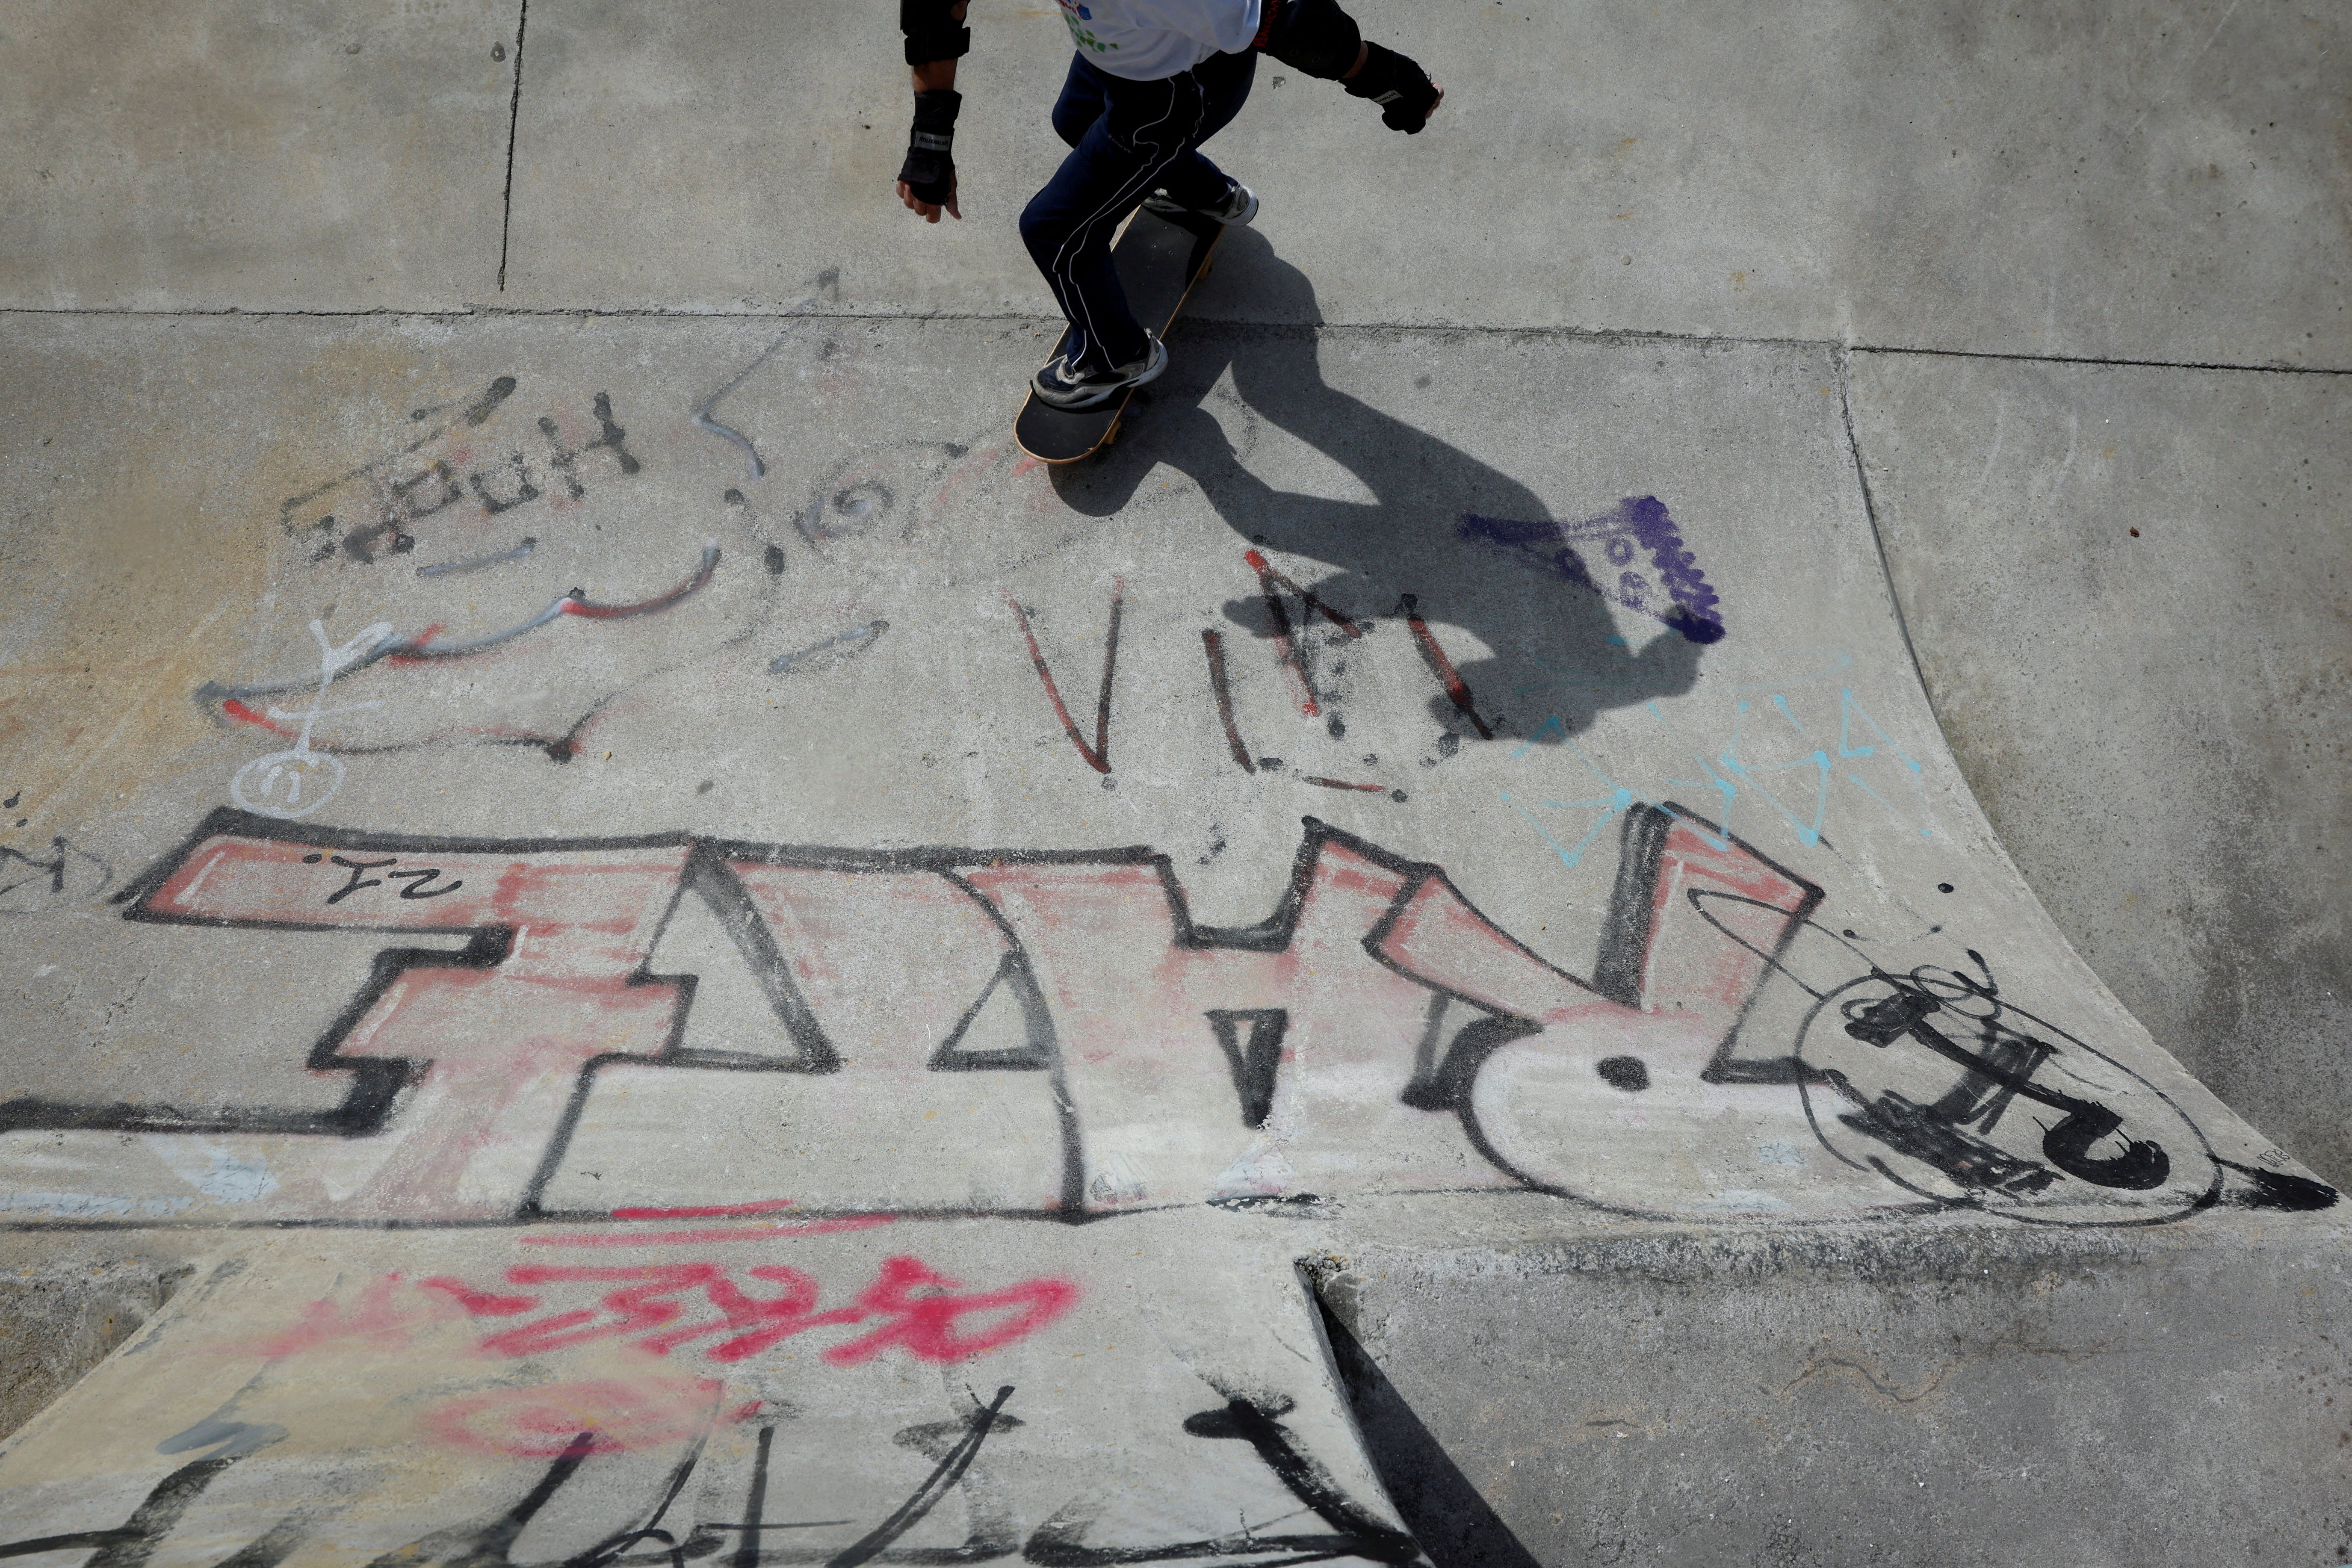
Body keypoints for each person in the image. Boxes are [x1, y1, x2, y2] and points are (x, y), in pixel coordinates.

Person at [895, 0, 1442, 410]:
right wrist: (931, 140)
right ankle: (1205, 194)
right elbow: (933, 10)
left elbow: (1296, 27)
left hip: (1181, 93)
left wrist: (1393, 82)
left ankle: (1117, 358)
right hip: (1122, 58)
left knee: (1054, 229)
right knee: (1075, 121)